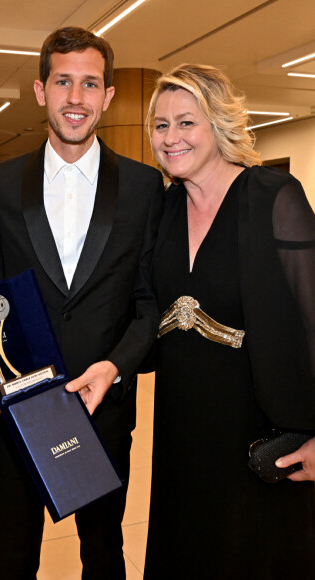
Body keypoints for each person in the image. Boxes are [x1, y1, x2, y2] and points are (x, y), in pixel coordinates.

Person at [0, 27, 164, 579]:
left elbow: (150, 302)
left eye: (90, 84)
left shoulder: (147, 187)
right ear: (40, 91)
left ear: (107, 96)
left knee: (103, 553)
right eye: (63, 82)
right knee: (14, 554)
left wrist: (116, 366)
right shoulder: (1, 185)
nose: (76, 98)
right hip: (21, 408)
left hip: (104, 404)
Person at [140, 63, 315, 578]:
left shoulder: (272, 196)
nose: (171, 137)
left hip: (258, 428)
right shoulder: (164, 208)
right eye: (161, 124)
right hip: (180, 430)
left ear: (217, 124)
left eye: (186, 122)